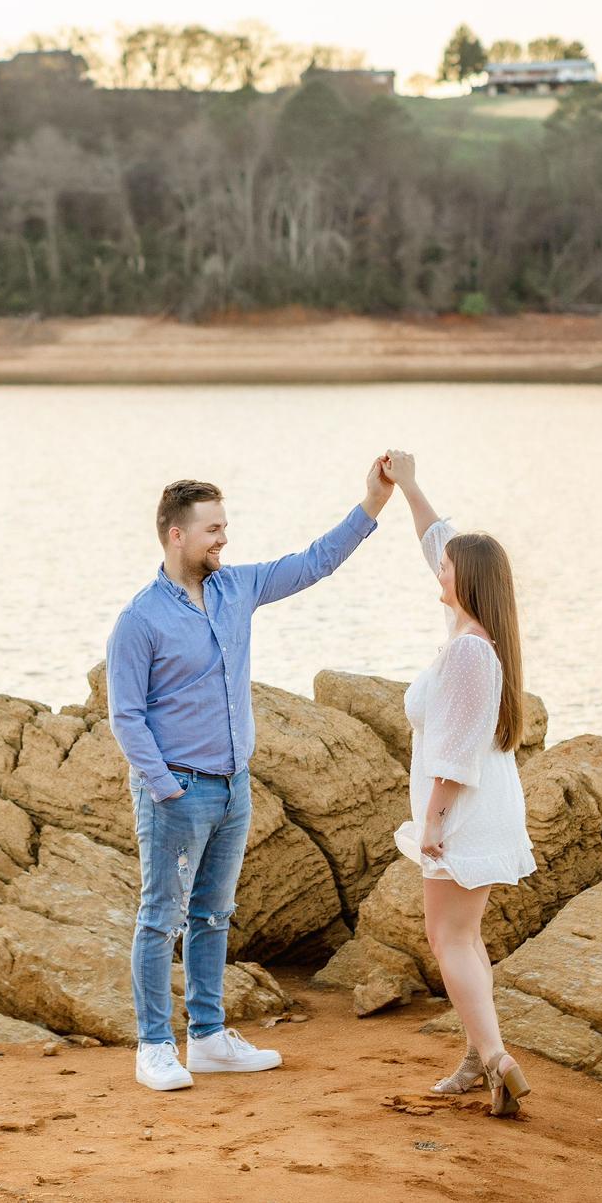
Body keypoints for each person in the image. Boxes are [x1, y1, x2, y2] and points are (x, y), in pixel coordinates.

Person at [108, 464, 394, 1092]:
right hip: (176, 793)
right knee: (160, 919)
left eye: (224, 527)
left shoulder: (238, 588)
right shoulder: (140, 619)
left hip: (234, 787)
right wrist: (165, 787)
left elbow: (314, 562)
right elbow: (125, 716)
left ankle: (208, 1038)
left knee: (214, 914)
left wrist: (372, 503)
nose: (224, 539)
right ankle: (154, 1046)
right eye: (212, 530)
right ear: (177, 535)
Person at [383, 448, 538, 1116]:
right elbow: (437, 540)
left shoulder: (470, 652)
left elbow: (454, 753)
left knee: (449, 939)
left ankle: (497, 1059)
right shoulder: (473, 632)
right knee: (465, 937)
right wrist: (409, 486)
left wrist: (434, 823)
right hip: (478, 806)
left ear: (467, 581)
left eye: (447, 567)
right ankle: (479, 1057)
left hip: (462, 811)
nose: (437, 568)